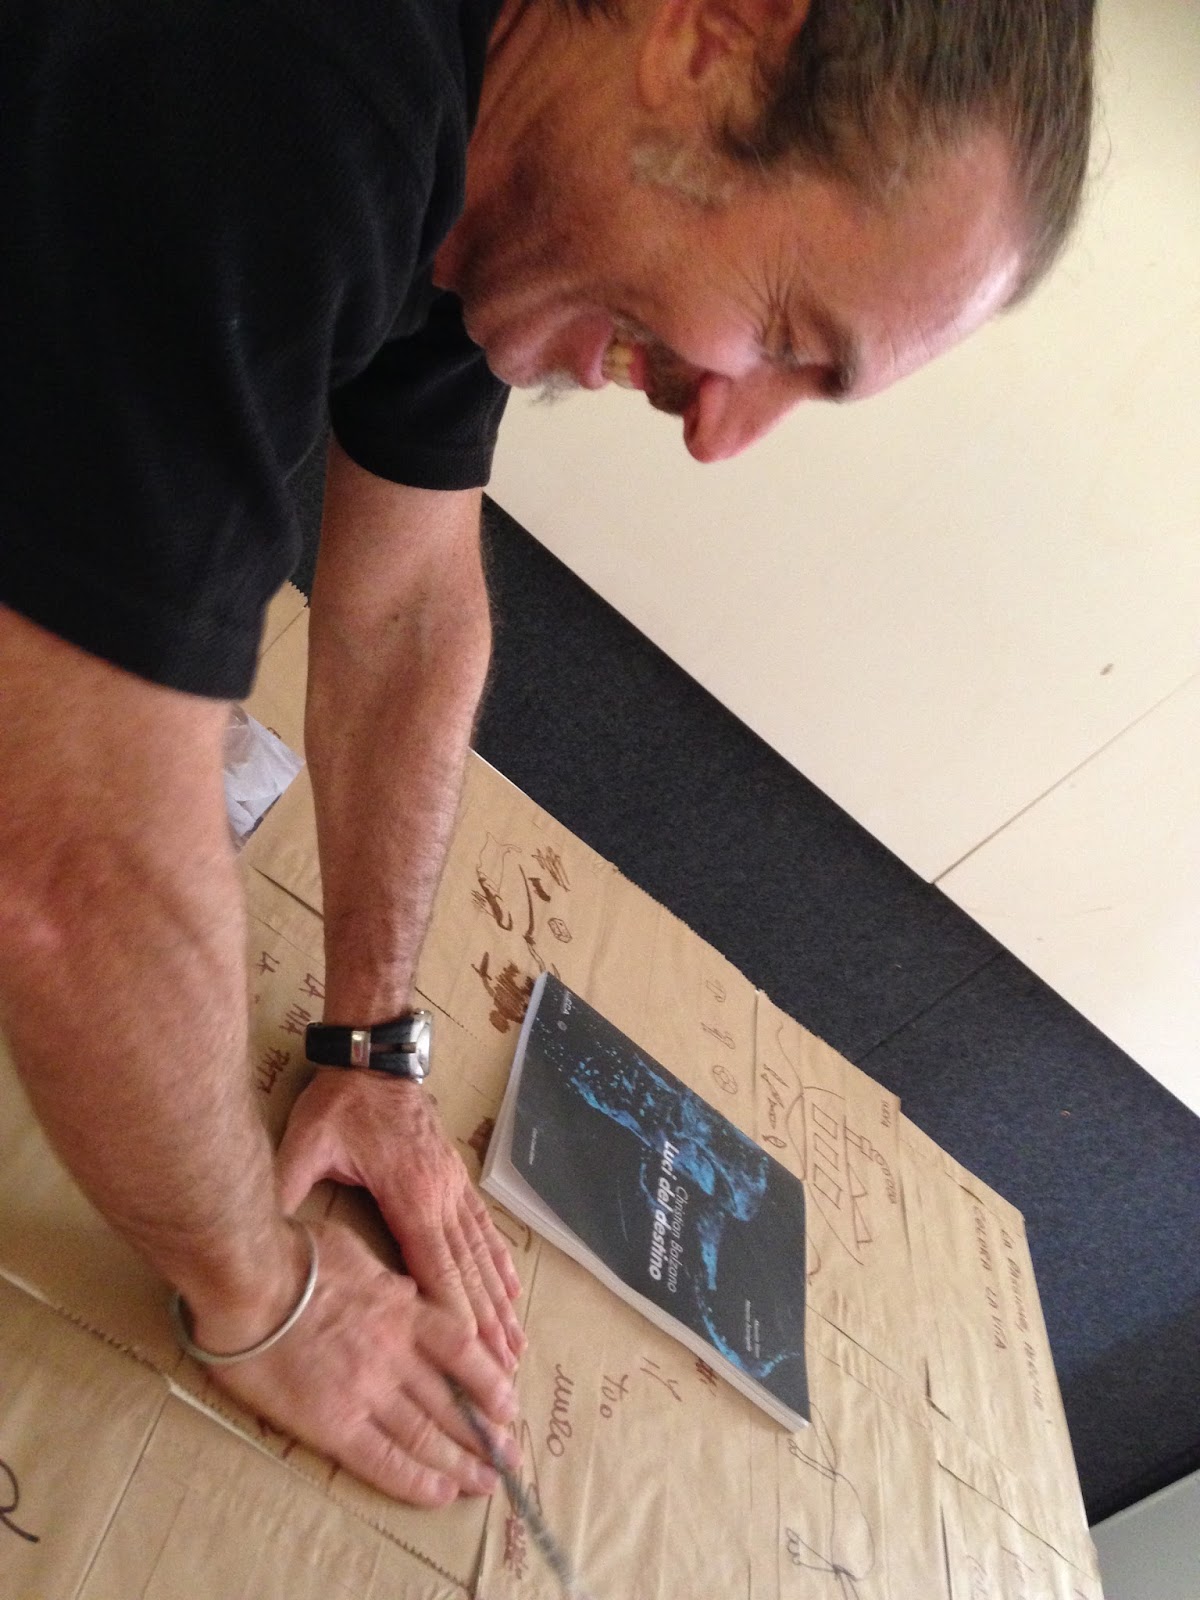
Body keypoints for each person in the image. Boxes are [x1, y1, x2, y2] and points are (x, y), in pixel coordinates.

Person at [0, 0, 1093, 1507]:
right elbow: (73, 868)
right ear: (707, 41)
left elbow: (406, 609)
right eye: (785, 331)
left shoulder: (493, 182)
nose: (721, 431)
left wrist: (371, 1045)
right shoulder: (293, 80)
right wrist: (263, 1294)